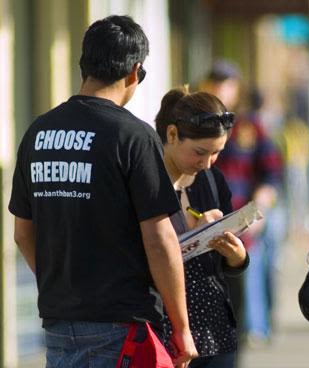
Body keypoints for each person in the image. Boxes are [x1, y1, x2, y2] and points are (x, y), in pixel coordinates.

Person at [8, 15, 196, 367]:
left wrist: (62, 283)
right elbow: (159, 238)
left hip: (59, 323)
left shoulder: (38, 133)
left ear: (85, 65)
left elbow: (22, 233)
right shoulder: (133, 136)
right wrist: (182, 327)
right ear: (134, 72)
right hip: (122, 326)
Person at [154, 87, 250, 367]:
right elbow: (145, 250)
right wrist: (190, 235)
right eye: (199, 152)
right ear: (172, 135)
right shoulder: (149, 184)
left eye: (217, 153)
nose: (207, 163)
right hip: (166, 331)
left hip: (215, 330)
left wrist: (237, 255)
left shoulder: (212, 180)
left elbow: (231, 263)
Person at [199, 62, 284, 348]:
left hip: (241, 226)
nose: (221, 89)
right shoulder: (193, 123)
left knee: (245, 290)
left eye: (227, 83)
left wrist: (260, 208)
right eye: (216, 82)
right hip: (200, 226)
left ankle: (254, 330)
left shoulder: (249, 126)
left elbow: (271, 173)